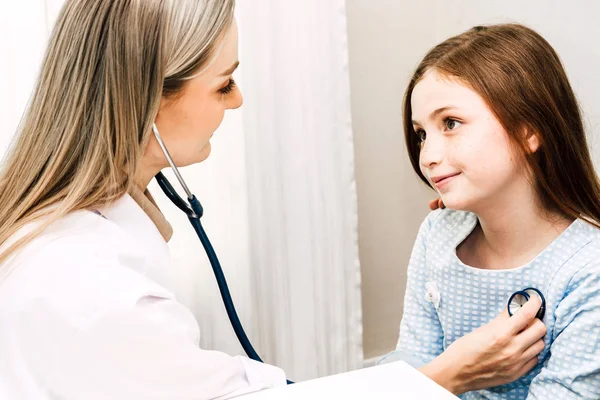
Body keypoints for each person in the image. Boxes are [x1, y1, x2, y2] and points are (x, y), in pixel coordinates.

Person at [0, 1, 551, 398]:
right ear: (146, 100)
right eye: (223, 84)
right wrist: (444, 378)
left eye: (452, 124)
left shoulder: (580, 264)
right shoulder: (84, 284)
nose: (237, 101)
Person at [384, 23, 600, 399]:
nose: (428, 157)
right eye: (421, 134)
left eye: (450, 123)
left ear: (528, 130)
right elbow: (410, 363)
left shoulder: (587, 270)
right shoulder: (438, 233)